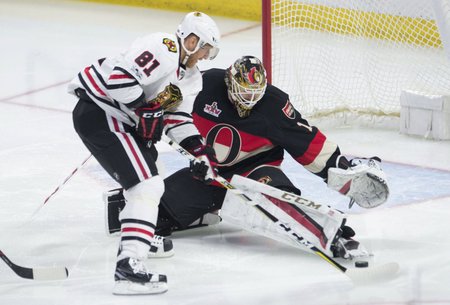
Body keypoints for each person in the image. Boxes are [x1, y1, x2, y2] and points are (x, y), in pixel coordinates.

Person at [105, 56, 389, 261]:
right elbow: (167, 105)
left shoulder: (275, 105)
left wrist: (340, 167)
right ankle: (208, 208)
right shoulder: (205, 85)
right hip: (211, 173)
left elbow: (307, 141)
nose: (249, 99)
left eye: (255, 93)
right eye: (243, 91)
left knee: (276, 200)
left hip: (256, 169)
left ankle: (336, 235)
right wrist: (140, 110)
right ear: (230, 82)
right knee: (149, 214)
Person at [69, 12, 220, 295]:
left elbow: (178, 119)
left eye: (207, 51)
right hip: (102, 113)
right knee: (146, 184)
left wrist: (199, 151)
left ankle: (141, 232)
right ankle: (128, 267)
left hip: (122, 120)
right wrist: (143, 108)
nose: (203, 54)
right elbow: (118, 78)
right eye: (202, 47)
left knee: (156, 175)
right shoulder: (163, 46)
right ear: (189, 39)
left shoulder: (190, 79)